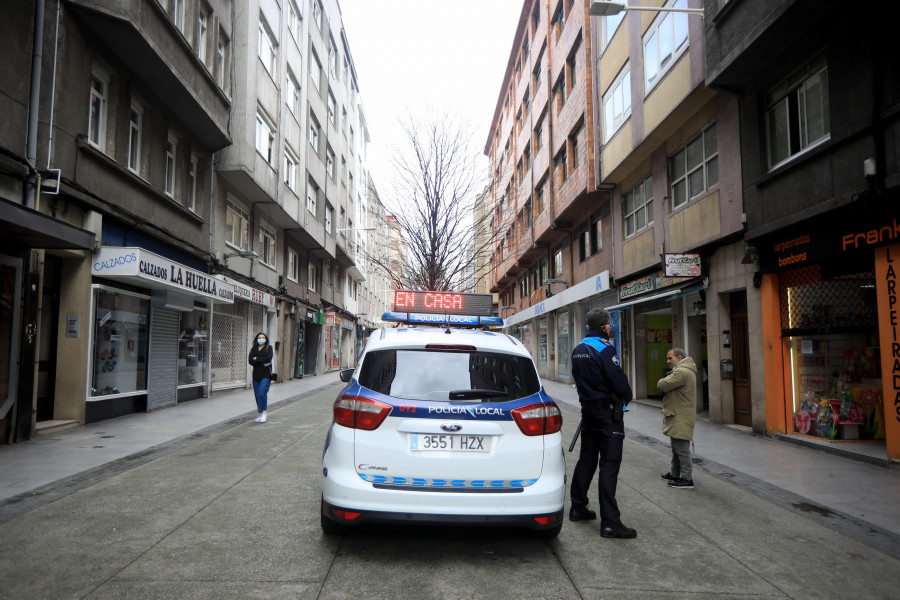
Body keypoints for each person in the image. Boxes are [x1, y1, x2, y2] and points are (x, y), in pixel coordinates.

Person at [570, 308, 636, 539]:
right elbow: (619, 382)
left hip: (588, 410)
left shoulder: (578, 349)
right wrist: (626, 396)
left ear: (588, 327)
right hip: (607, 414)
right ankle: (610, 522)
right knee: (609, 463)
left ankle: (578, 506)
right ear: (606, 327)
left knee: (587, 459)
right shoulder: (604, 349)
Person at [657, 348, 698, 489]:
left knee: (682, 448)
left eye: (670, 358)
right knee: (676, 447)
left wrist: (663, 381)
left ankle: (687, 479)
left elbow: (661, 384)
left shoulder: (681, 372)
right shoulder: (683, 370)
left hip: (680, 415)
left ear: (679, 357)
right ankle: (675, 474)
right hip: (678, 414)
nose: (668, 361)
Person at [248, 332, 274, 423]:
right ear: (256, 339)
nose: (261, 339)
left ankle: (264, 412)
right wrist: (261, 360)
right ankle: (260, 413)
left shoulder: (269, 347)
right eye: (259, 337)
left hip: (266, 374)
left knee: (262, 392)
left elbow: (268, 358)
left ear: (266, 339)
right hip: (256, 375)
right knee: (257, 394)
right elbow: (250, 361)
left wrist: (257, 359)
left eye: (263, 337)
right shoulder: (254, 348)